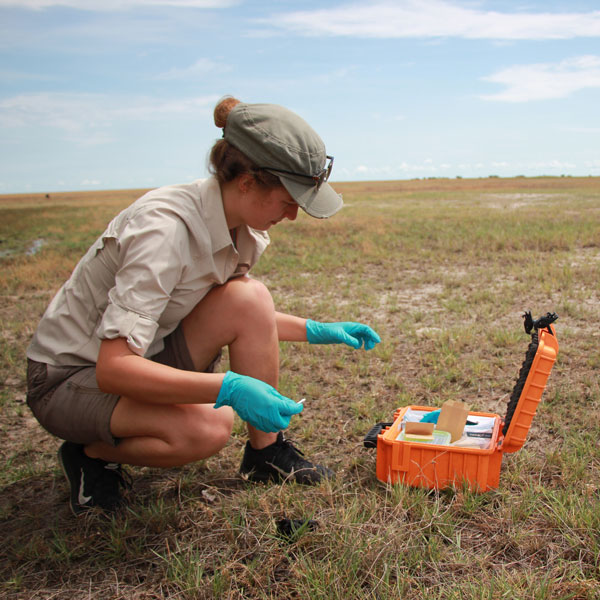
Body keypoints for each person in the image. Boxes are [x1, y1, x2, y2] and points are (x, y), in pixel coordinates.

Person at [25, 96, 381, 516]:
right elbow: (114, 366)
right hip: (70, 379)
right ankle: (89, 454)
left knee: (251, 295)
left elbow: (236, 313)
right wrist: (227, 387)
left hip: (148, 352)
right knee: (207, 429)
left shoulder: (241, 228)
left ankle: (266, 454)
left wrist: (316, 329)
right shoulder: (163, 231)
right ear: (246, 181)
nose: (293, 215)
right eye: (289, 200)